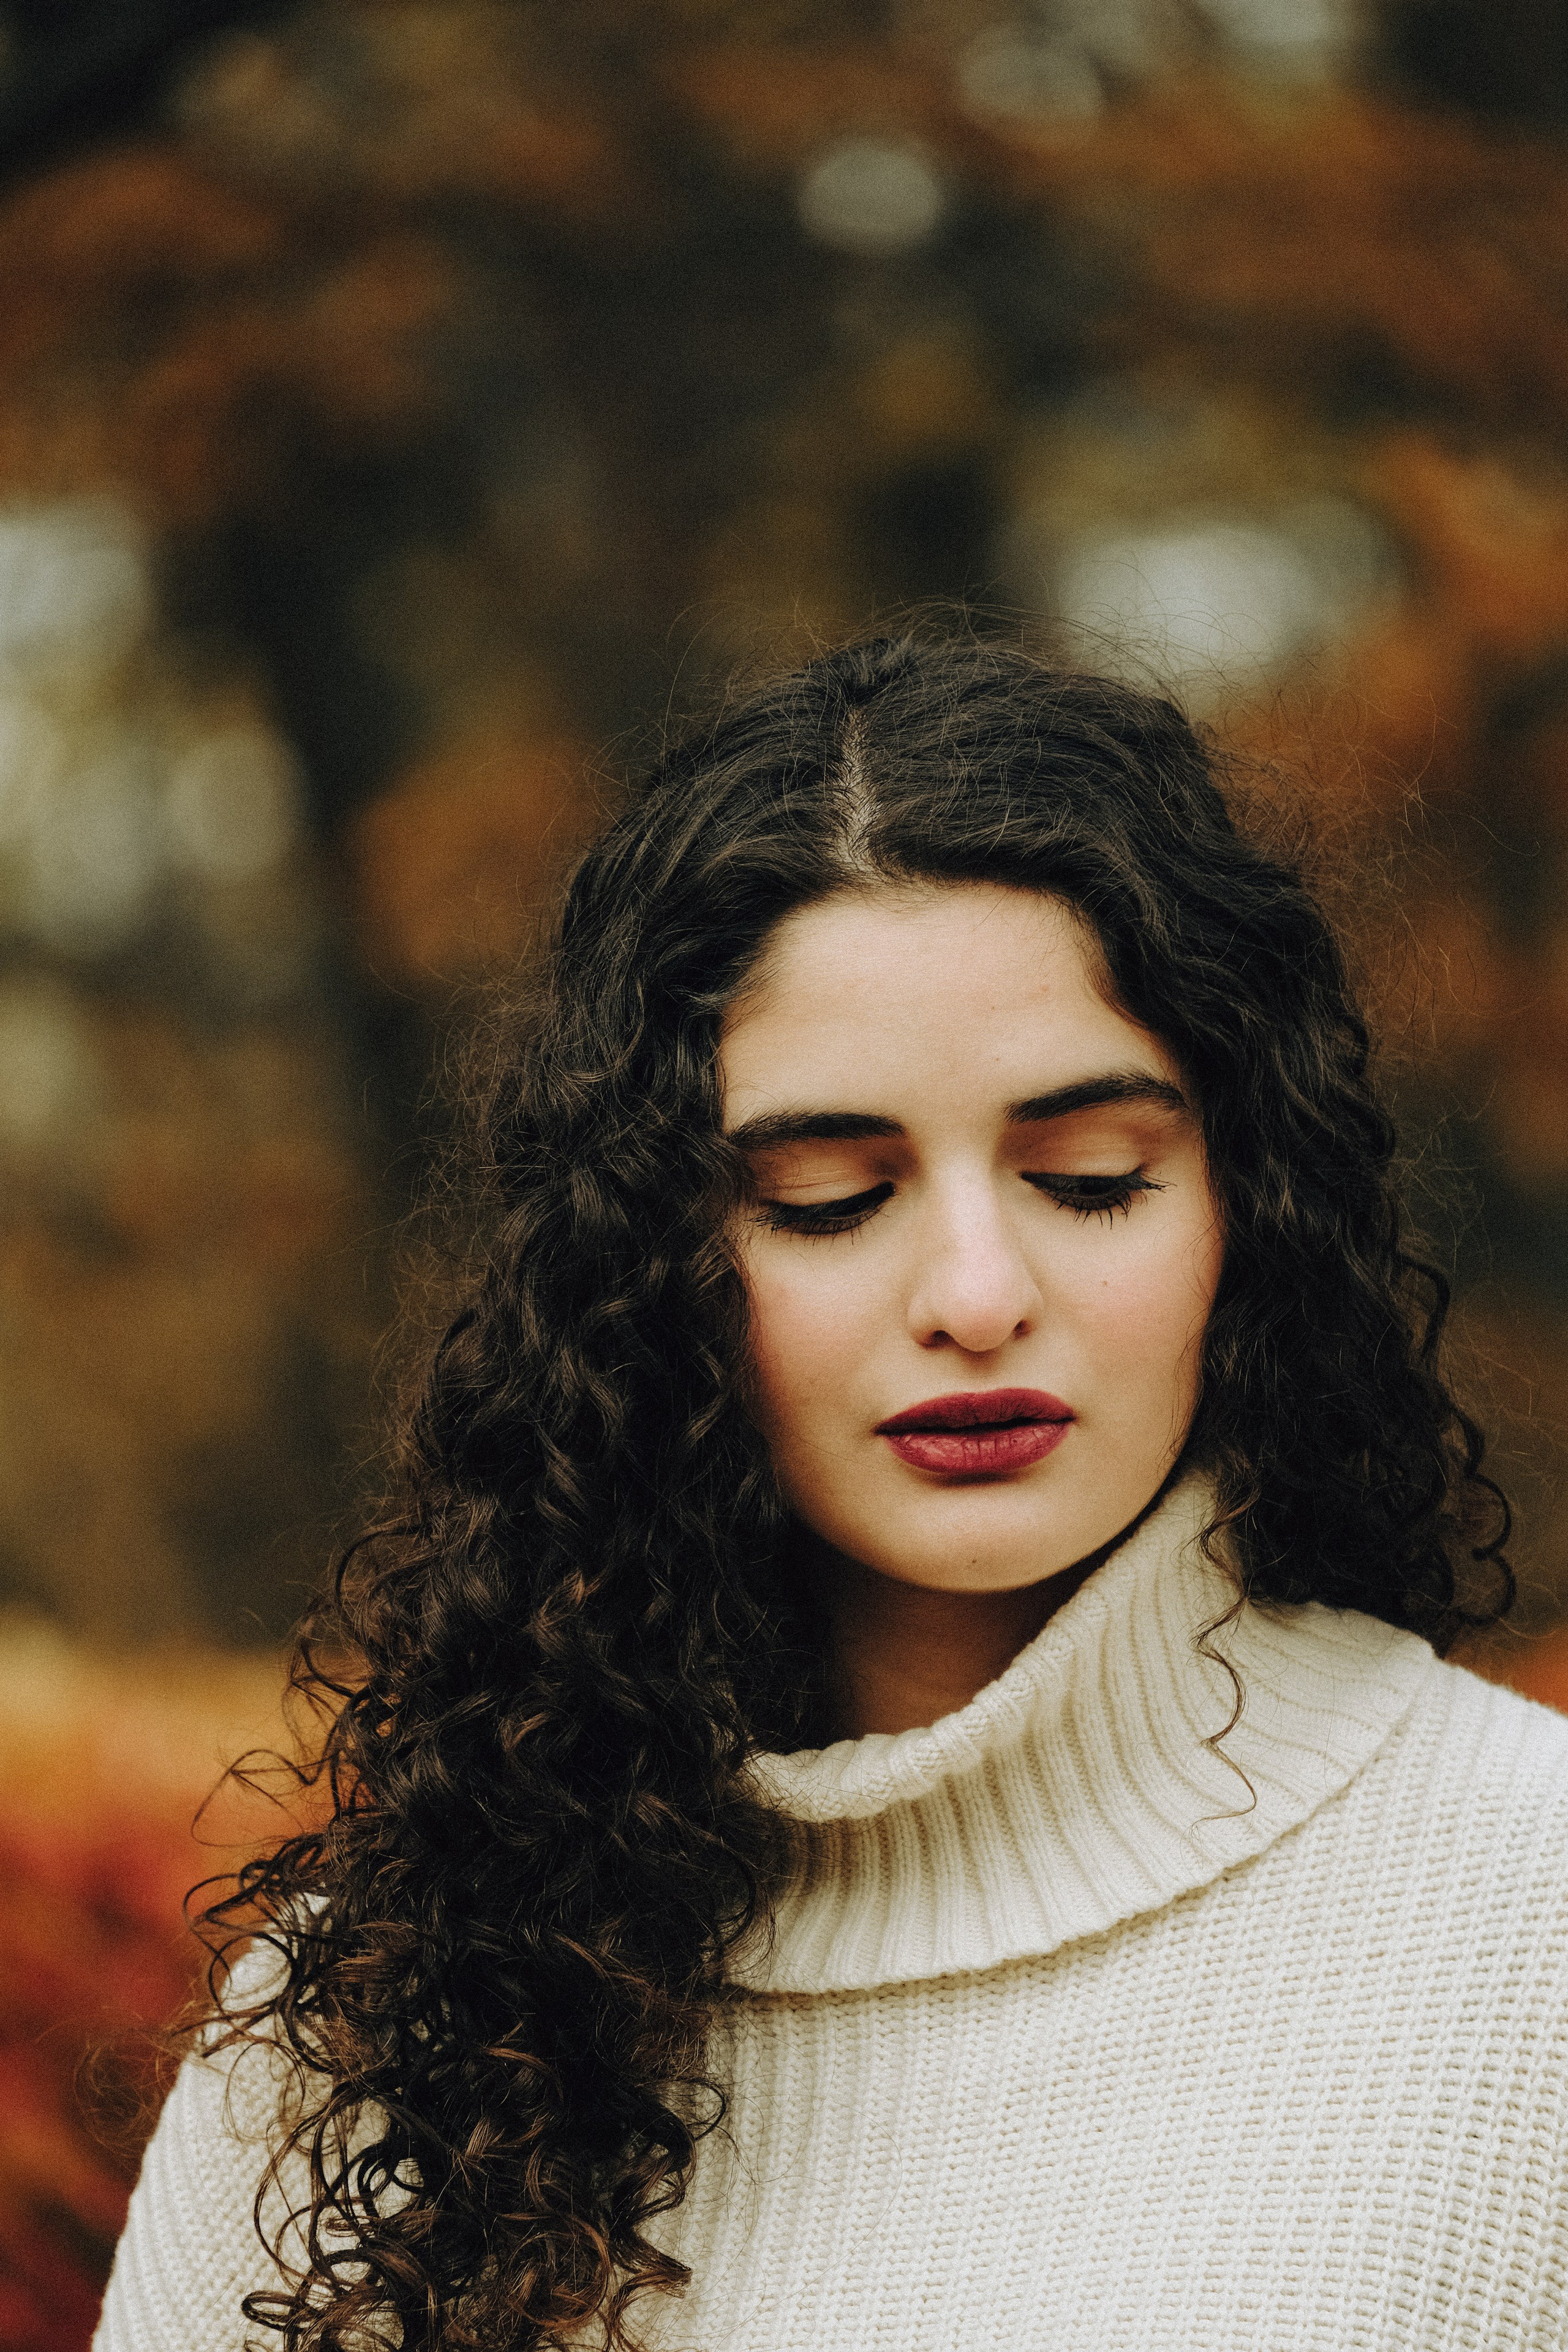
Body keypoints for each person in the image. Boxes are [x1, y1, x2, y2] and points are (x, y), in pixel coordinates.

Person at [97, 636, 1567, 2352]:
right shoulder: (379, 2013)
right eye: (824, 1199)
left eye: (1090, 1181)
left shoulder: (1526, 1902)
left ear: (1248, 1205)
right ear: (653, 1270)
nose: (973, 1290)